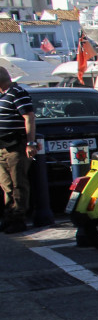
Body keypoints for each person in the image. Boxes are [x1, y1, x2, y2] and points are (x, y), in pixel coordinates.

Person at [0, 67, 37, 234]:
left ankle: (18, 217)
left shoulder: (17, 92)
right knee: (6, 184)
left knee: (18, 183)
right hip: (2, 146)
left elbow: (28, 117)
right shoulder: (2, 95)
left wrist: (31, 143)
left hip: (16, 145)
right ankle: (9, 216)